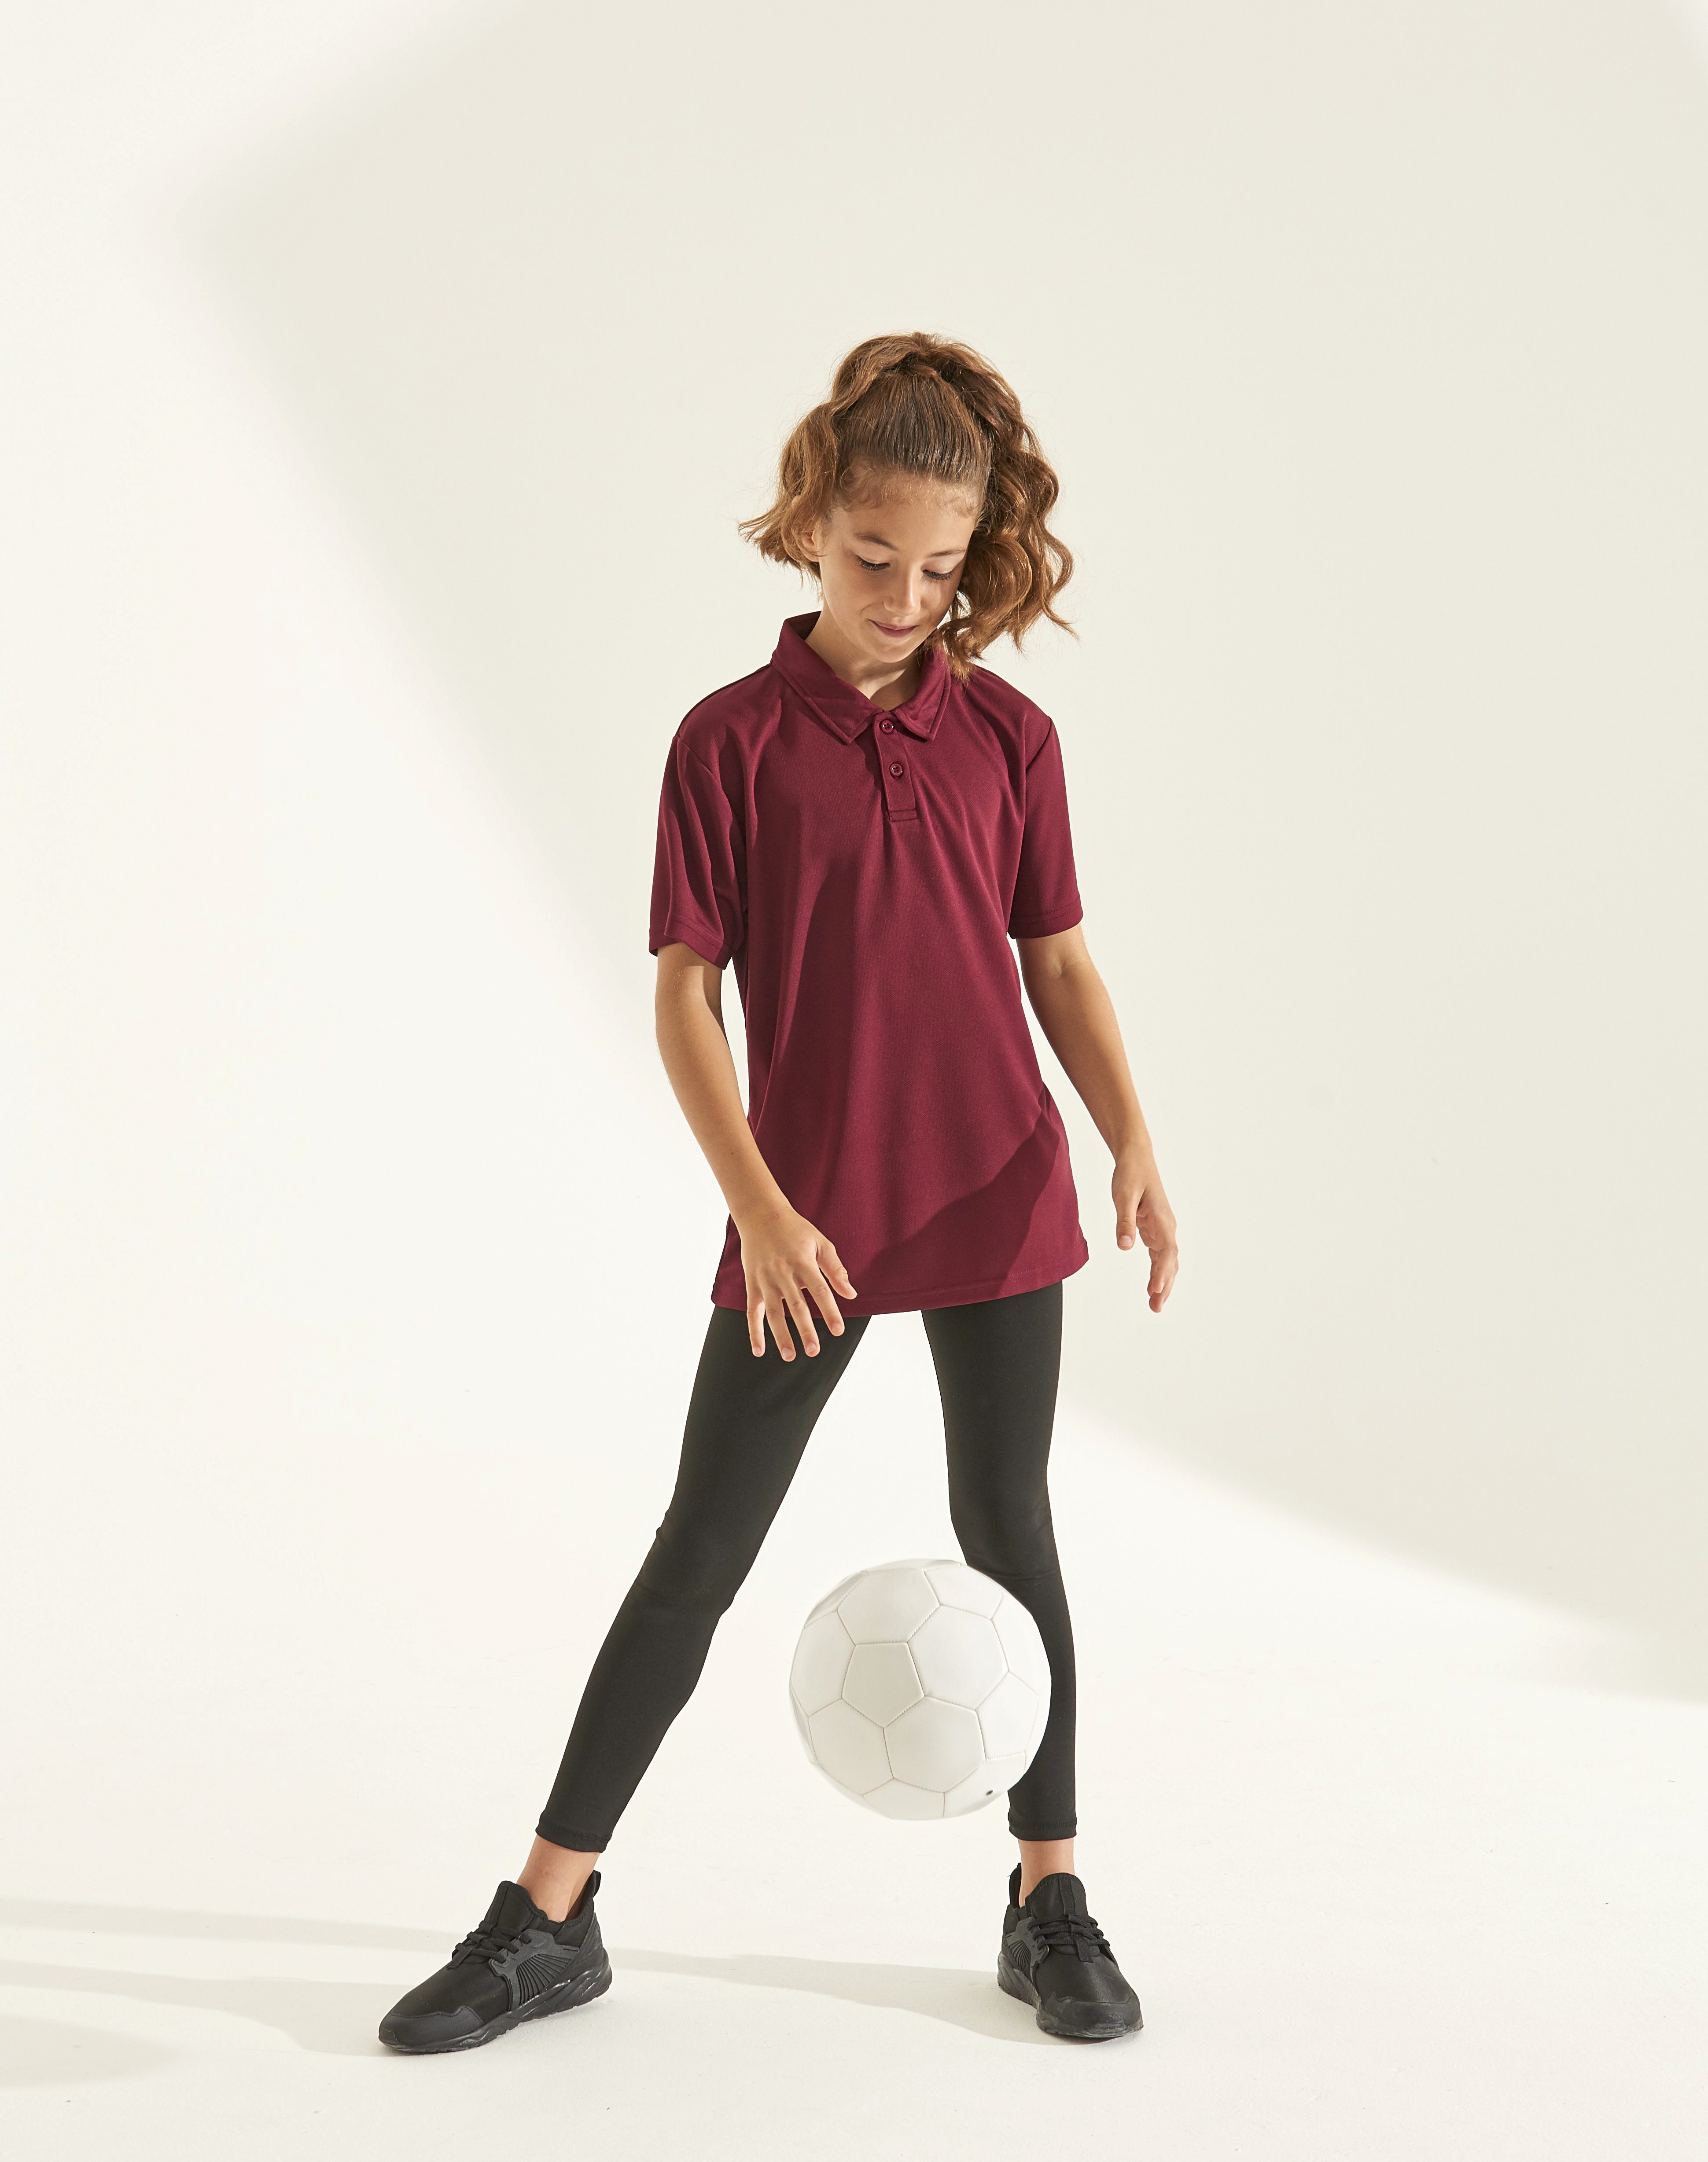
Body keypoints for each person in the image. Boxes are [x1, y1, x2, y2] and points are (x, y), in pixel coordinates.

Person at [377, 332, 1182, 2054]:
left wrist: (1129, 1135)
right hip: (805, 1225)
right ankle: (548, 1915)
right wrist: (757, 1205)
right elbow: (685, 994)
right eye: (873, 556)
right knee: (698, 1554)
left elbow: (1058, 959)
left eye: (941, 570)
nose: (904, 598)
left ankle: (1048, 1895)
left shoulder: (1012, 737)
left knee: (1012, 1533)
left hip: (996, 1192)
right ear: (813, 520)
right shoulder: (728, 744)